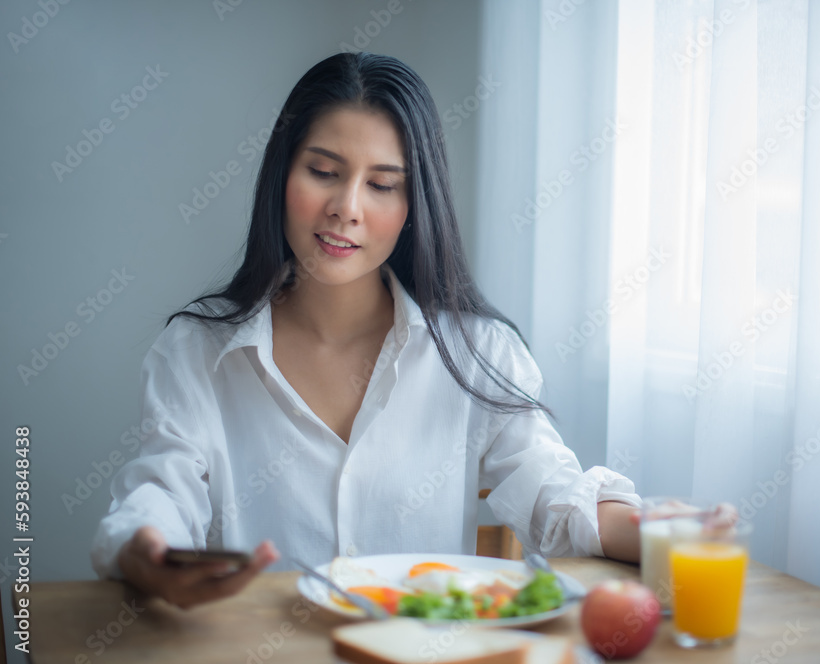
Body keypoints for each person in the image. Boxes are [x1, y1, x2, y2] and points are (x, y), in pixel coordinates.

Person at [91, 52, 641, 609]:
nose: (346, 208)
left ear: (413, 206)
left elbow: (553, 495)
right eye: (324, 172)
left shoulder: (478, 354)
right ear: (282, 175)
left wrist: (661, 532)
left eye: (382, 184)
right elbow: (160, 494)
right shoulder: (196, 351)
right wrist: (147, 552)